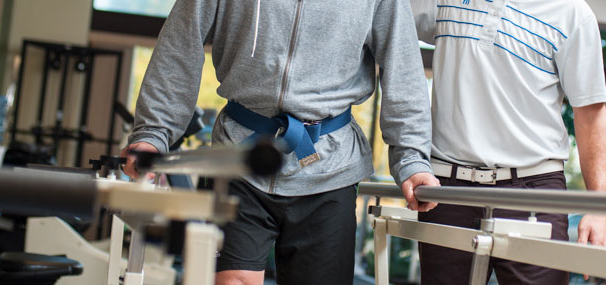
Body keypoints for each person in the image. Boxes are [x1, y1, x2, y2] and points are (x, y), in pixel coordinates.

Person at [120, 1, 439, 284]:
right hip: (239, 158)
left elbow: (404, 72)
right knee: (232, 280)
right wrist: (153, 134)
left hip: (329, 166)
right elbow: (179, 48)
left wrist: (411, 160)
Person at [409, 0, 606, 284]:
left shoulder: (573, 12)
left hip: (534, 192)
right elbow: (385, 18)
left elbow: (591, 114)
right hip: (449, 189)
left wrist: (599, 207)